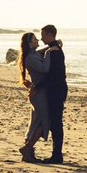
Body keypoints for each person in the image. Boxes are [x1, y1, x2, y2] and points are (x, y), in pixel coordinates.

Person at [31, 24, 67, 162]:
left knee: (56, 123)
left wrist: (37, 87)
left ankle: (57, 155)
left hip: (56, 90)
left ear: (50, 35)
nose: (41, 38)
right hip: (59, 89)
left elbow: (51, 75)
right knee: (55, 122)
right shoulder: (55, 49)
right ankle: (56, 153)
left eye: (43, 35)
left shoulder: (53, 51)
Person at [17, 31, 50, 160]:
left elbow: (41, 52)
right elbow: (44, 69)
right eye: (35, 40)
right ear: (30, 44)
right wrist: (50, 53)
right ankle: (28, 147)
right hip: (39, 95)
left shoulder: (34, 54)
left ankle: (28, 150)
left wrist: (52, 46)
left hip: (39, 92)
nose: (38, 41)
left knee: (36, 122)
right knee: (44, 121)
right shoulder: (30, 58)